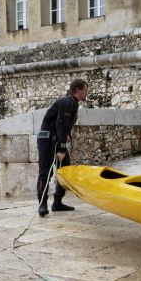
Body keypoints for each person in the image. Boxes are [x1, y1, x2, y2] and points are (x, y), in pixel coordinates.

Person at [36, 78, 89, 217]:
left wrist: (67, 137)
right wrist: (61, 148)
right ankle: (42, 204)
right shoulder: (66, 102)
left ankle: (57, 202)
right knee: (46, 172)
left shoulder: (73, 103)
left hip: (56, 139)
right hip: (47, 139)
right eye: (86, 90)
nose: (87, 93)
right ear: (78, 89)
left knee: (65, 171)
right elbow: (61, 125)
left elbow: (65, 128)